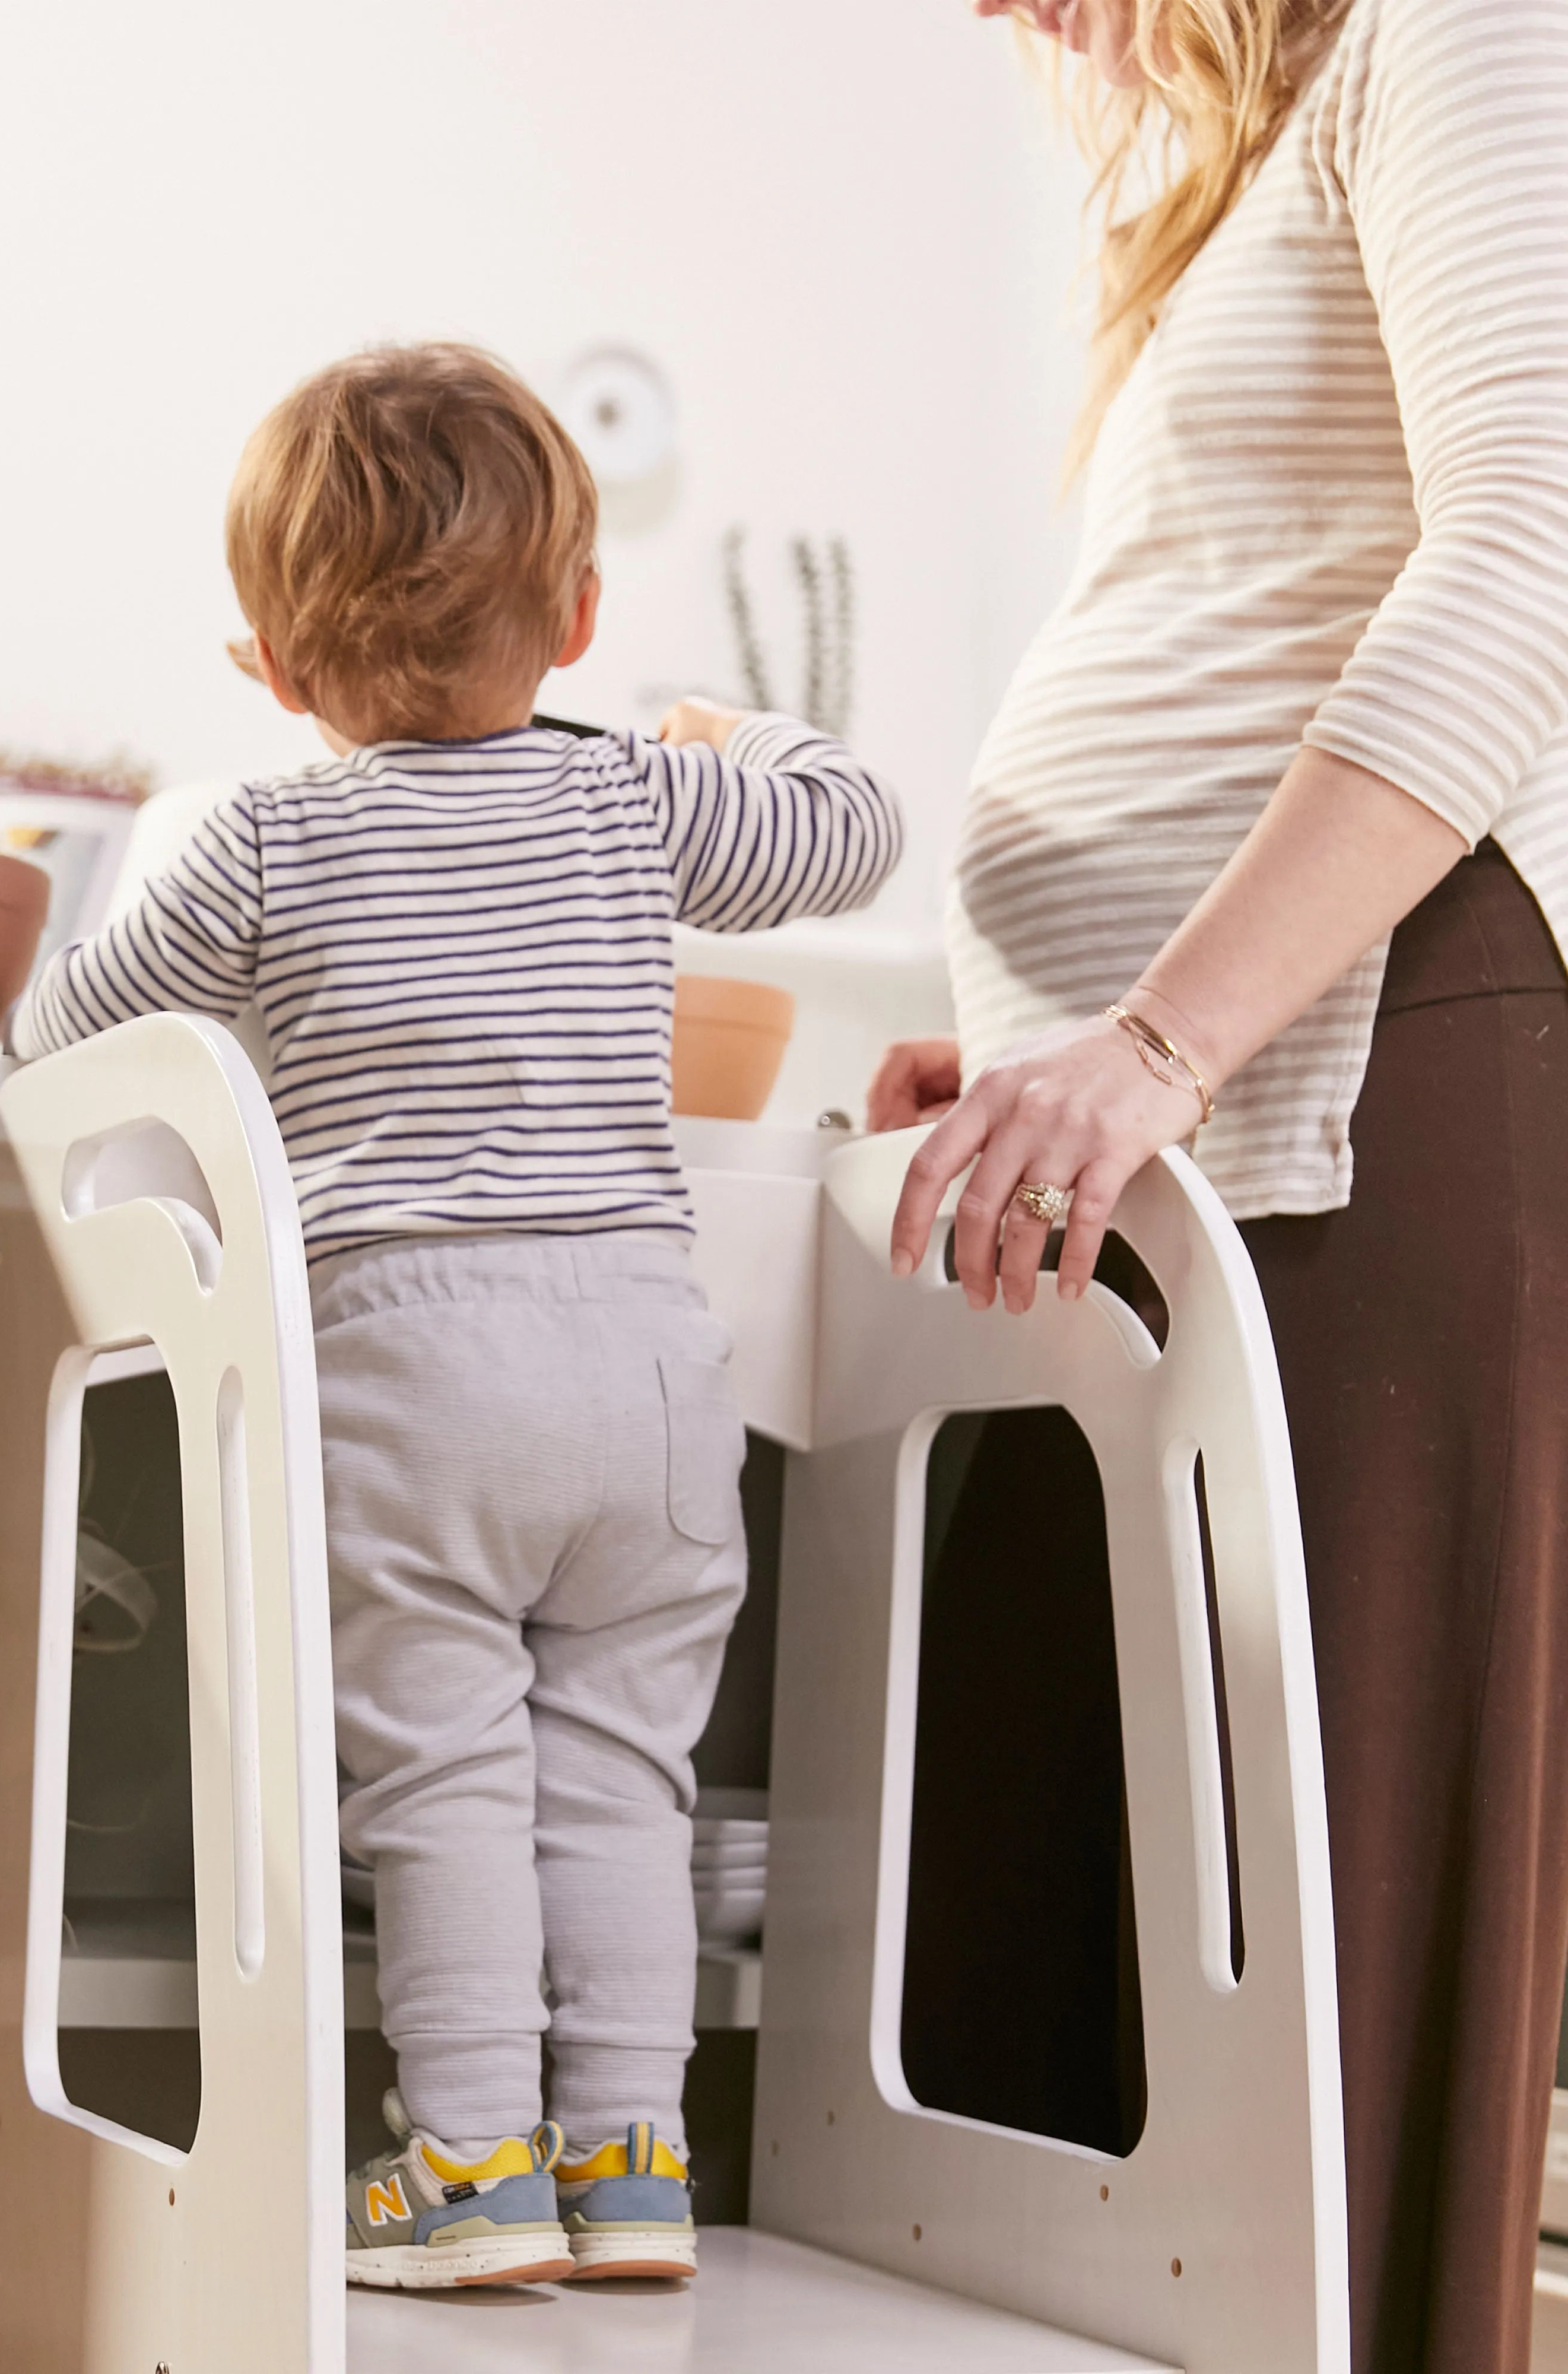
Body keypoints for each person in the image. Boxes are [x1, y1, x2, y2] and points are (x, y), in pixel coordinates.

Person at [9, 341, 901, 2288]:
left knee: (444, 1782)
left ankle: (475, 2168)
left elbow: (57, 1039)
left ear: (264, 661)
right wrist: (731, 730)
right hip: (648, 1365)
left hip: (418, 1370)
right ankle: (638, 2165)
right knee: (622, 1782)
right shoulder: (635, 806)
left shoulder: (257, 842)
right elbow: (855, 822)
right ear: (577, 618)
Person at [875, 4, 1568, 2367]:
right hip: (1180, 1151)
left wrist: (1159, 1032)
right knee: (1032, 2030)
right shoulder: (1243, 154)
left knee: (1313, 2047)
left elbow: (1537, 558)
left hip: (1380, 1090)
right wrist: (1043, 1045)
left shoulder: (1464, 33)